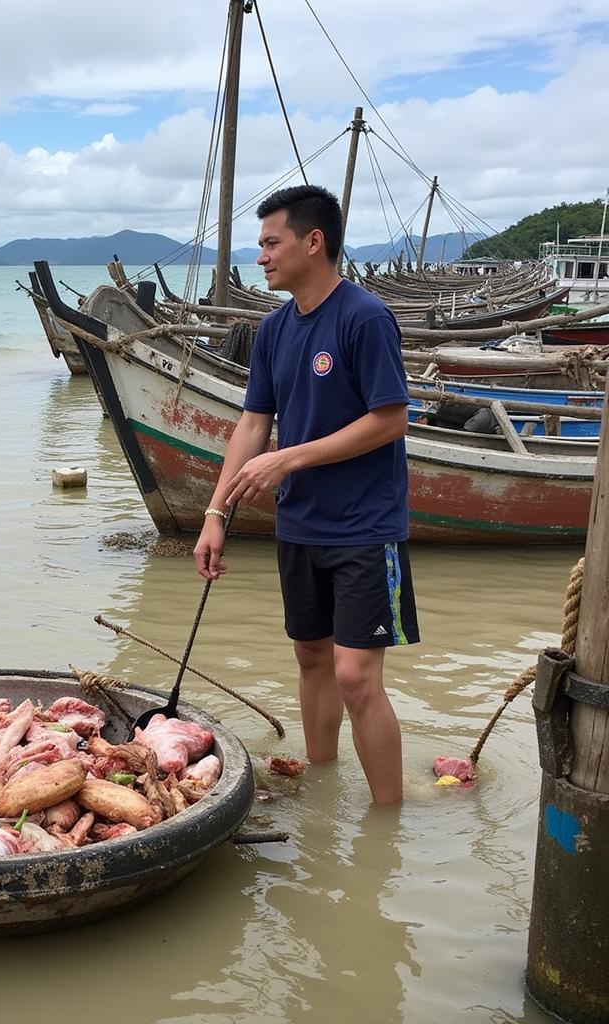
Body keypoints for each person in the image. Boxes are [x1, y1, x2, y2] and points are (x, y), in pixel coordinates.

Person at [193, 185, 419, 805]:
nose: (260, 256)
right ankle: (323, 787)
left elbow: (390, 419)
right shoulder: (271, 330)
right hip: (301, 525)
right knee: (312, 657)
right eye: (260, 245)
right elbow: (252, 425)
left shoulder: (364, 317)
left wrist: (290, 457)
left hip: (366, 527)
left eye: (271, 243)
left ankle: (386, 821)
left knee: (356, 676)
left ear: (313, 242)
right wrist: (216, 515)